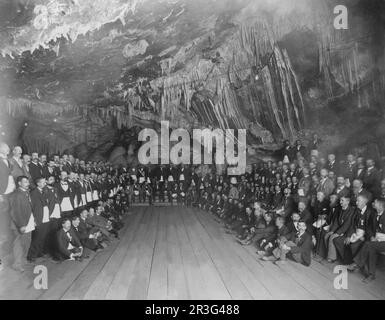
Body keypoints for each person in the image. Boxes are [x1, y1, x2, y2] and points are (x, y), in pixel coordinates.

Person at [347, 198, 385, 282]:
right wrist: (371, 236)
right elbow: (369, 228)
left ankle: (357, 263)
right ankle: (371, 275)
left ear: (381, 206)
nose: (373, 203)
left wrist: (379, 238)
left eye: (375, 202)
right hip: (375, 241)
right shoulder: (374, 214)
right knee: (371, 247)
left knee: (369, 245)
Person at [9, 176, 35, 272]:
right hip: (20, 224)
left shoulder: (25, 193)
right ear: (19, 183)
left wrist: (33, 220)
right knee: (19, 244)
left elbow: (29, 208)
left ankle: (23, 261)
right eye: (25, 182)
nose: (27, 183)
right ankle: (17, 264)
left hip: (28, 222)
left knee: (27, 242)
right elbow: (15, 212)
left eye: (28, 181)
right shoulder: (16, 194)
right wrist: (21, 225)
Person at [324, 196, 355, 263]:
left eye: (342, 200)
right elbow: (336, 222)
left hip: (347, 232)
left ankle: (332, 258)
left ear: (348, 202)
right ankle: (331, 254)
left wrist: (337, 233)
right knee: (327, 235)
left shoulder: (351, 211)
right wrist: (332, 231)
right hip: (340, 229)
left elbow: (347, 225)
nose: (340, 202)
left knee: (332, 237)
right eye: (340, 200)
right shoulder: (340, 209)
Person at [0, 142, 15, 271]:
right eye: (7, 148)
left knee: (10, 219)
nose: (8, 150)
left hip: (10, 193)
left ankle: (10, 246)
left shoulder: (8, 161)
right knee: (3, 221)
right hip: (3, 194)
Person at [28, 177, 50, 262]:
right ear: (38, 183)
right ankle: (32, 255)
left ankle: (40, 252)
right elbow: (34, 207)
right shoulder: (33, 193)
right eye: (44, 182)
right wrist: (35, 219)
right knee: (37, 237)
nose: (45, 184)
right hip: (38, 217)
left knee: (43, 236)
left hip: (45, 216)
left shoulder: (44, 191)